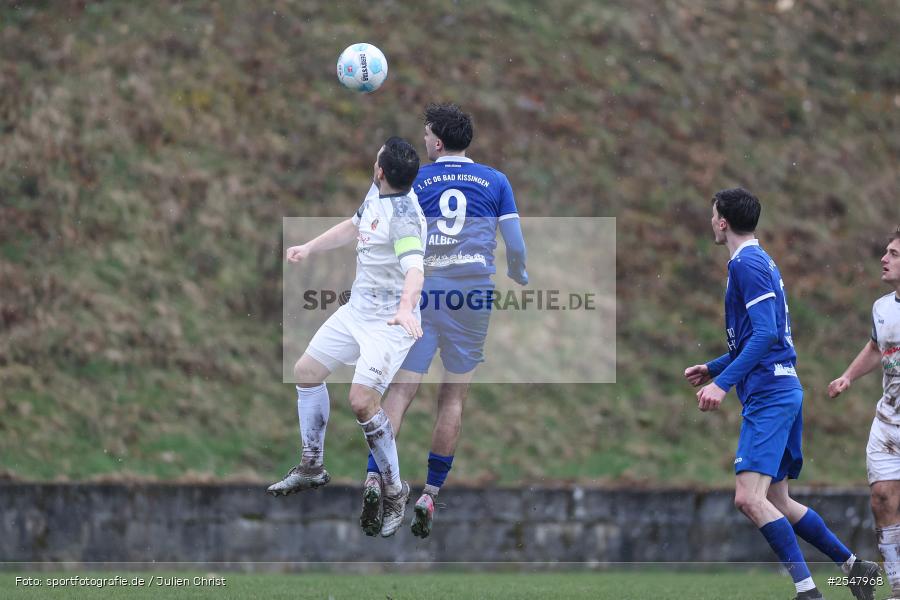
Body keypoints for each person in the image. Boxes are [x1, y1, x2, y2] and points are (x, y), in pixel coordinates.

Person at [683, 188, 879, 600]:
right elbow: (760, 335)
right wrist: (714, 368)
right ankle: (855, 568)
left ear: (722, 222)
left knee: (748, 499)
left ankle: (808, 592)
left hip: (770, 393)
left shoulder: (747, 263)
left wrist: (723, 384)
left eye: (712, 215)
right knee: (778, 500)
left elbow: (768, 333)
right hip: (783, 386)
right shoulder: (758, 259)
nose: (710, 222)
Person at [359, 103, 528, 538]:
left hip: (424, 292)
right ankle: (430, 493)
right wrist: (519, 272)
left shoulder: (417, 179)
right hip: (472, 296)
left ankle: (376, 477)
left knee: (400, 390)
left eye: (426, 135)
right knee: (452, 399)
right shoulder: (496, 181)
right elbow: (516, 245)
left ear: (436, 141)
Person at [267, 137, 427, 538]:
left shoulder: (405, 218)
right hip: (355, 312)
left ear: (380, 171)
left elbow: (415, 270)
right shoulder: (378, 193)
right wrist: (310, 247)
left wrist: (406, 308)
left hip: (388, 326)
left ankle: (395, 490)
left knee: (361, 401)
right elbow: (353, 226)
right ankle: (311, 465)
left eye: (376, 160)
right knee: (306, 371)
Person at [829, 225, 900, 599]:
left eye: (894, 254)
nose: (884, 259)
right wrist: (847, 377)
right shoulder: (883, 307)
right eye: (886, 251)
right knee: (882, 499)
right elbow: (876, 347)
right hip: (889, 423)